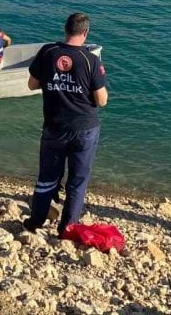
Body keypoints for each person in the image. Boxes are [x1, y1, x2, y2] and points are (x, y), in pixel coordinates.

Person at [23, 12, 108, 236]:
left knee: (47, 176)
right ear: (86, 33)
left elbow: (32, 85)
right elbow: (101, 100)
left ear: (65, 29)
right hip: (84, 128)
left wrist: (55, 83)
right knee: (77, 180)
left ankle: (36, 220)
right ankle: (67, 227)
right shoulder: (91, 60)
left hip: (54, 126)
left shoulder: (48, 52)